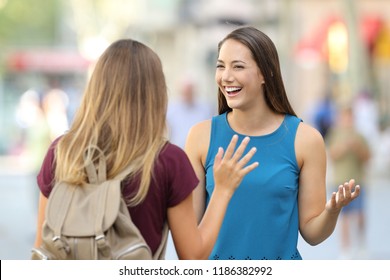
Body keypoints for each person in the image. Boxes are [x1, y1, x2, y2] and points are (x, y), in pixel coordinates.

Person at [33, 39, 259, 259]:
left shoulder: (61, 152)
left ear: (97, 89)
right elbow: (193, 256)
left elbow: (43, 247)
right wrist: (223, 190)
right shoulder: (167, 160)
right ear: (155, 92)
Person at [185, 26, 360, 260]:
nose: (226, 76)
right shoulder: (200, 137)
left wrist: (332, 211)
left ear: (265, 73)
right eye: (220, 66)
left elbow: (312, 233)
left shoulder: (305, 140)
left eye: (237, 66)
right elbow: (190, 240)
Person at [327, 106, 371, 259]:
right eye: (345, 117)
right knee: (343, 217)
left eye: (350, 117)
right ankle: (345, 249)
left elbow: (367, 158)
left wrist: (357, 147)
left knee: (360, 215)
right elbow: (331, 155)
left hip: (358, 181)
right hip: (340, 182)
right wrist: (344, 147)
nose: (347, 121)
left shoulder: (360, 136)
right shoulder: (335, 135)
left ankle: (361, 245)